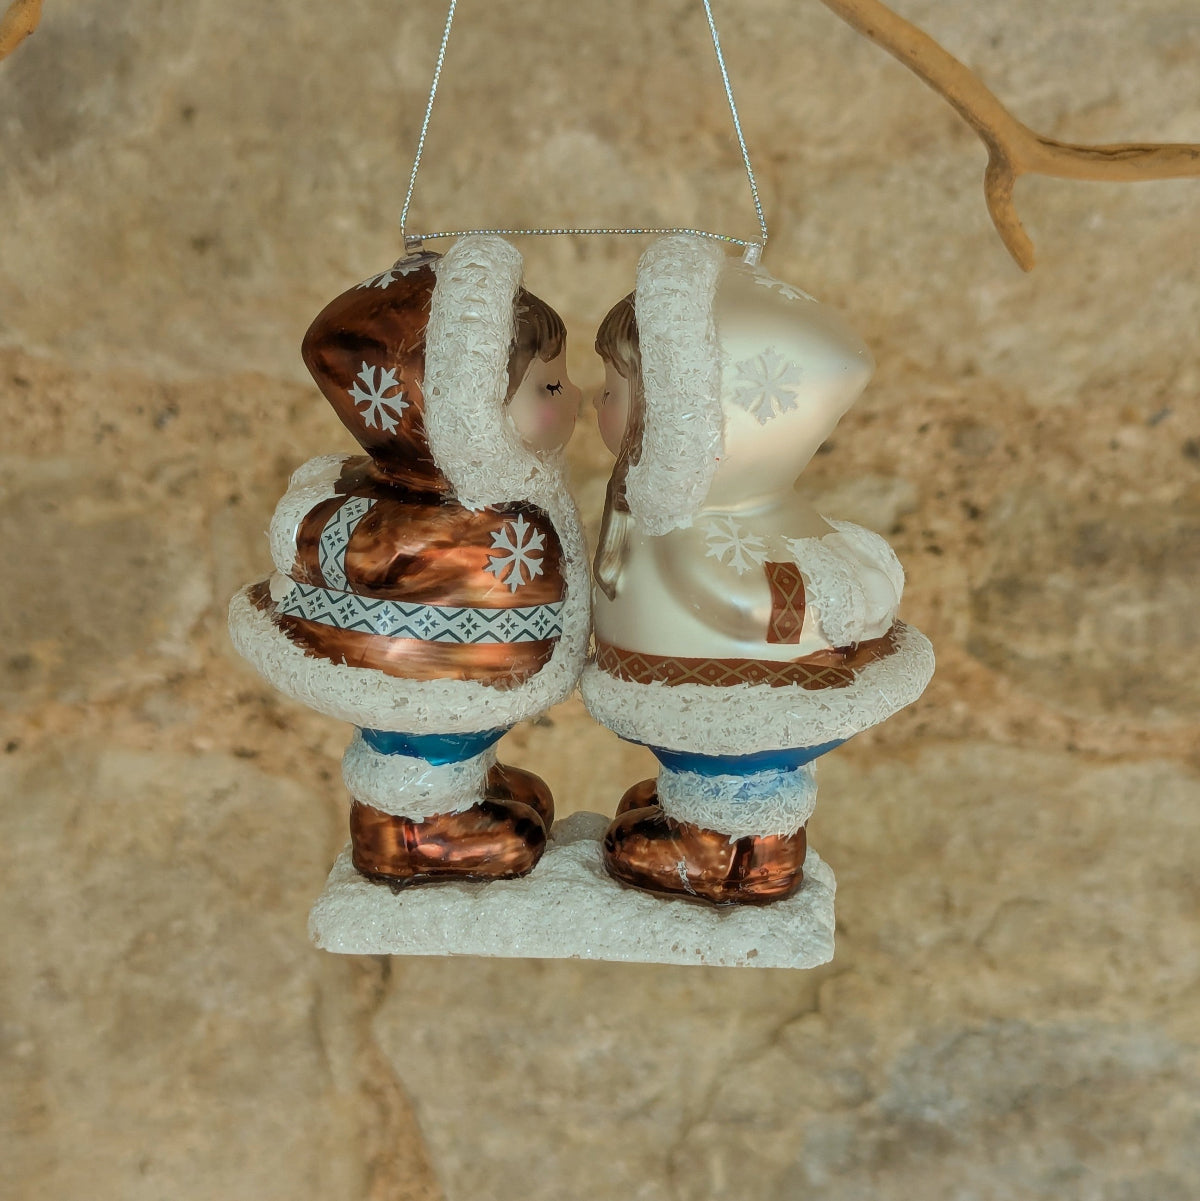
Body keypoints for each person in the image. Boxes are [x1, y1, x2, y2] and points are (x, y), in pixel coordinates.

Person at [583, 235, 934, 904]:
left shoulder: (695, 532)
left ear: (694, 416)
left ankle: (733, 852)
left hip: (746, 704)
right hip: (689, 702)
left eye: (614, 390)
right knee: (716, 764)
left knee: (743, 762)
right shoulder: (663, 506)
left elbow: (754, 600)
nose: (595, 407)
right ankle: (704, 817)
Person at [230, 235, 588, 884]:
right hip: (411, 683)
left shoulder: (501, 498)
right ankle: (408, 830)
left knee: (456, 733)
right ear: (465, 415)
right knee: (419, 735)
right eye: (551, 384)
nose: (577, 399)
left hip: (476, 685)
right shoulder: (423, 520)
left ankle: (466, 782)